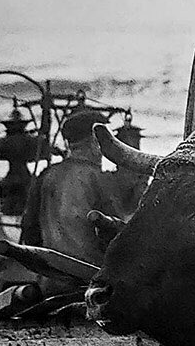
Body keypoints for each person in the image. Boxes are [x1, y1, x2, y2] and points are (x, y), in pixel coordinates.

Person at [21, 108, 122, 285]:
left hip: (49, 283)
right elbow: (119, 237)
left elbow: (29, 231)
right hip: (92, 286)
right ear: (95, 142)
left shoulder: (46, 175)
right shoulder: (100, 180)